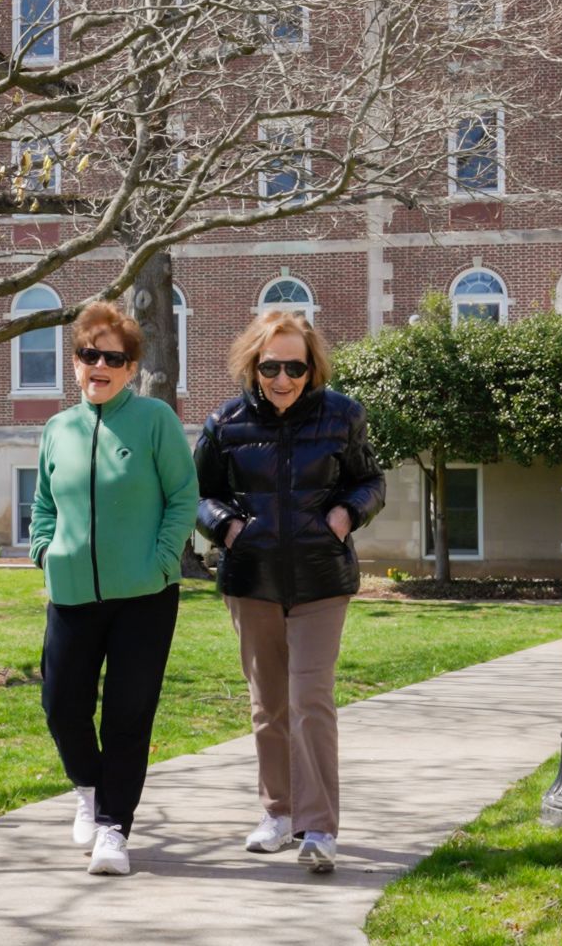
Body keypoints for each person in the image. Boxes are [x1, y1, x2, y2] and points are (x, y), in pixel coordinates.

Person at [192, 309, 385, 874]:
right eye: (271, 366)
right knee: (268, 705)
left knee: (309, 700)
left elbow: (370, 481)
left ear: (311, 366)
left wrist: (347, 514)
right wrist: (227, 527)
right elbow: (200, 494)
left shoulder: (342, 416)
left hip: (321, 580)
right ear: (253, 364)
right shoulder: (225, 423)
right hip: (252, 582)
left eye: (294, 367)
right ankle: (277, 814)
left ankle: (320, 827)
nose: (282, 378)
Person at [29, 300, 198, 876]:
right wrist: (43, 552)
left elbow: (182, 498)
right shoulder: (57, 429)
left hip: (145, 598)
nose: (97, 365)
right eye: (87, 354)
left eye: (112, 357)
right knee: (60, 706)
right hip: (72, 592)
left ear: (130, 368)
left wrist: (159, 562)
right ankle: (88, 789)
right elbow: (44, 505)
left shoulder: (155, 421)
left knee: (128, 715)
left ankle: (112, 829)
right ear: (74, 361)